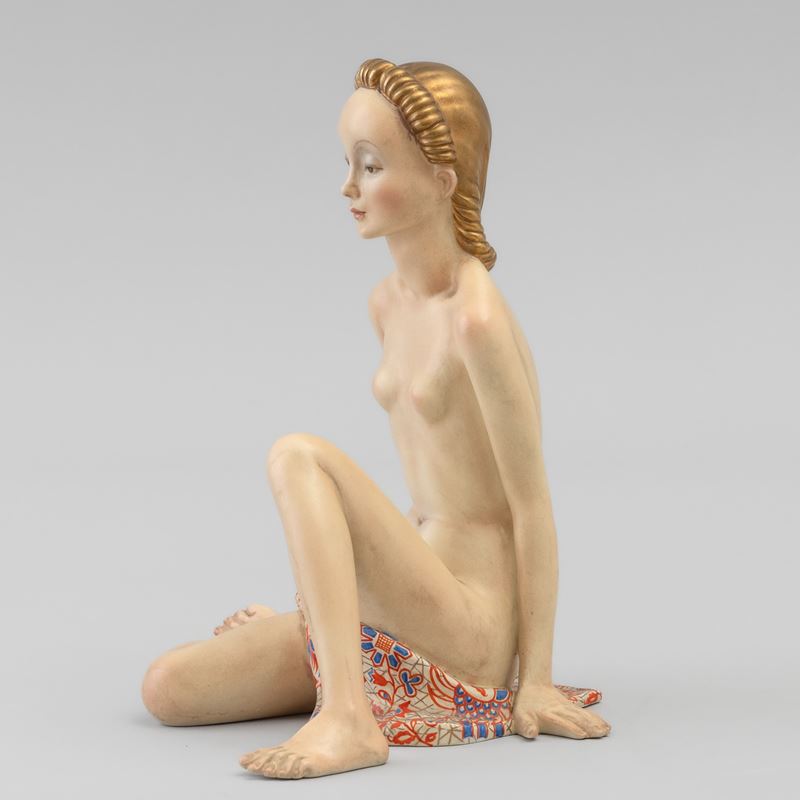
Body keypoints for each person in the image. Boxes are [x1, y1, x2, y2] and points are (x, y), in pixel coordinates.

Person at [141, 57, 611, 780]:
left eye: (370, 166)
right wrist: (333, 599)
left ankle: (348, 718)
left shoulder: (477, 321)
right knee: (168, 688)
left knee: (297, 454)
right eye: (348, 164)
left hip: (469, 625)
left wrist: (537, 678)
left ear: (442, 182)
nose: (348, 187)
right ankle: (334, 641)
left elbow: (532, 507)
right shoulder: (385, 305)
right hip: (407, 593)